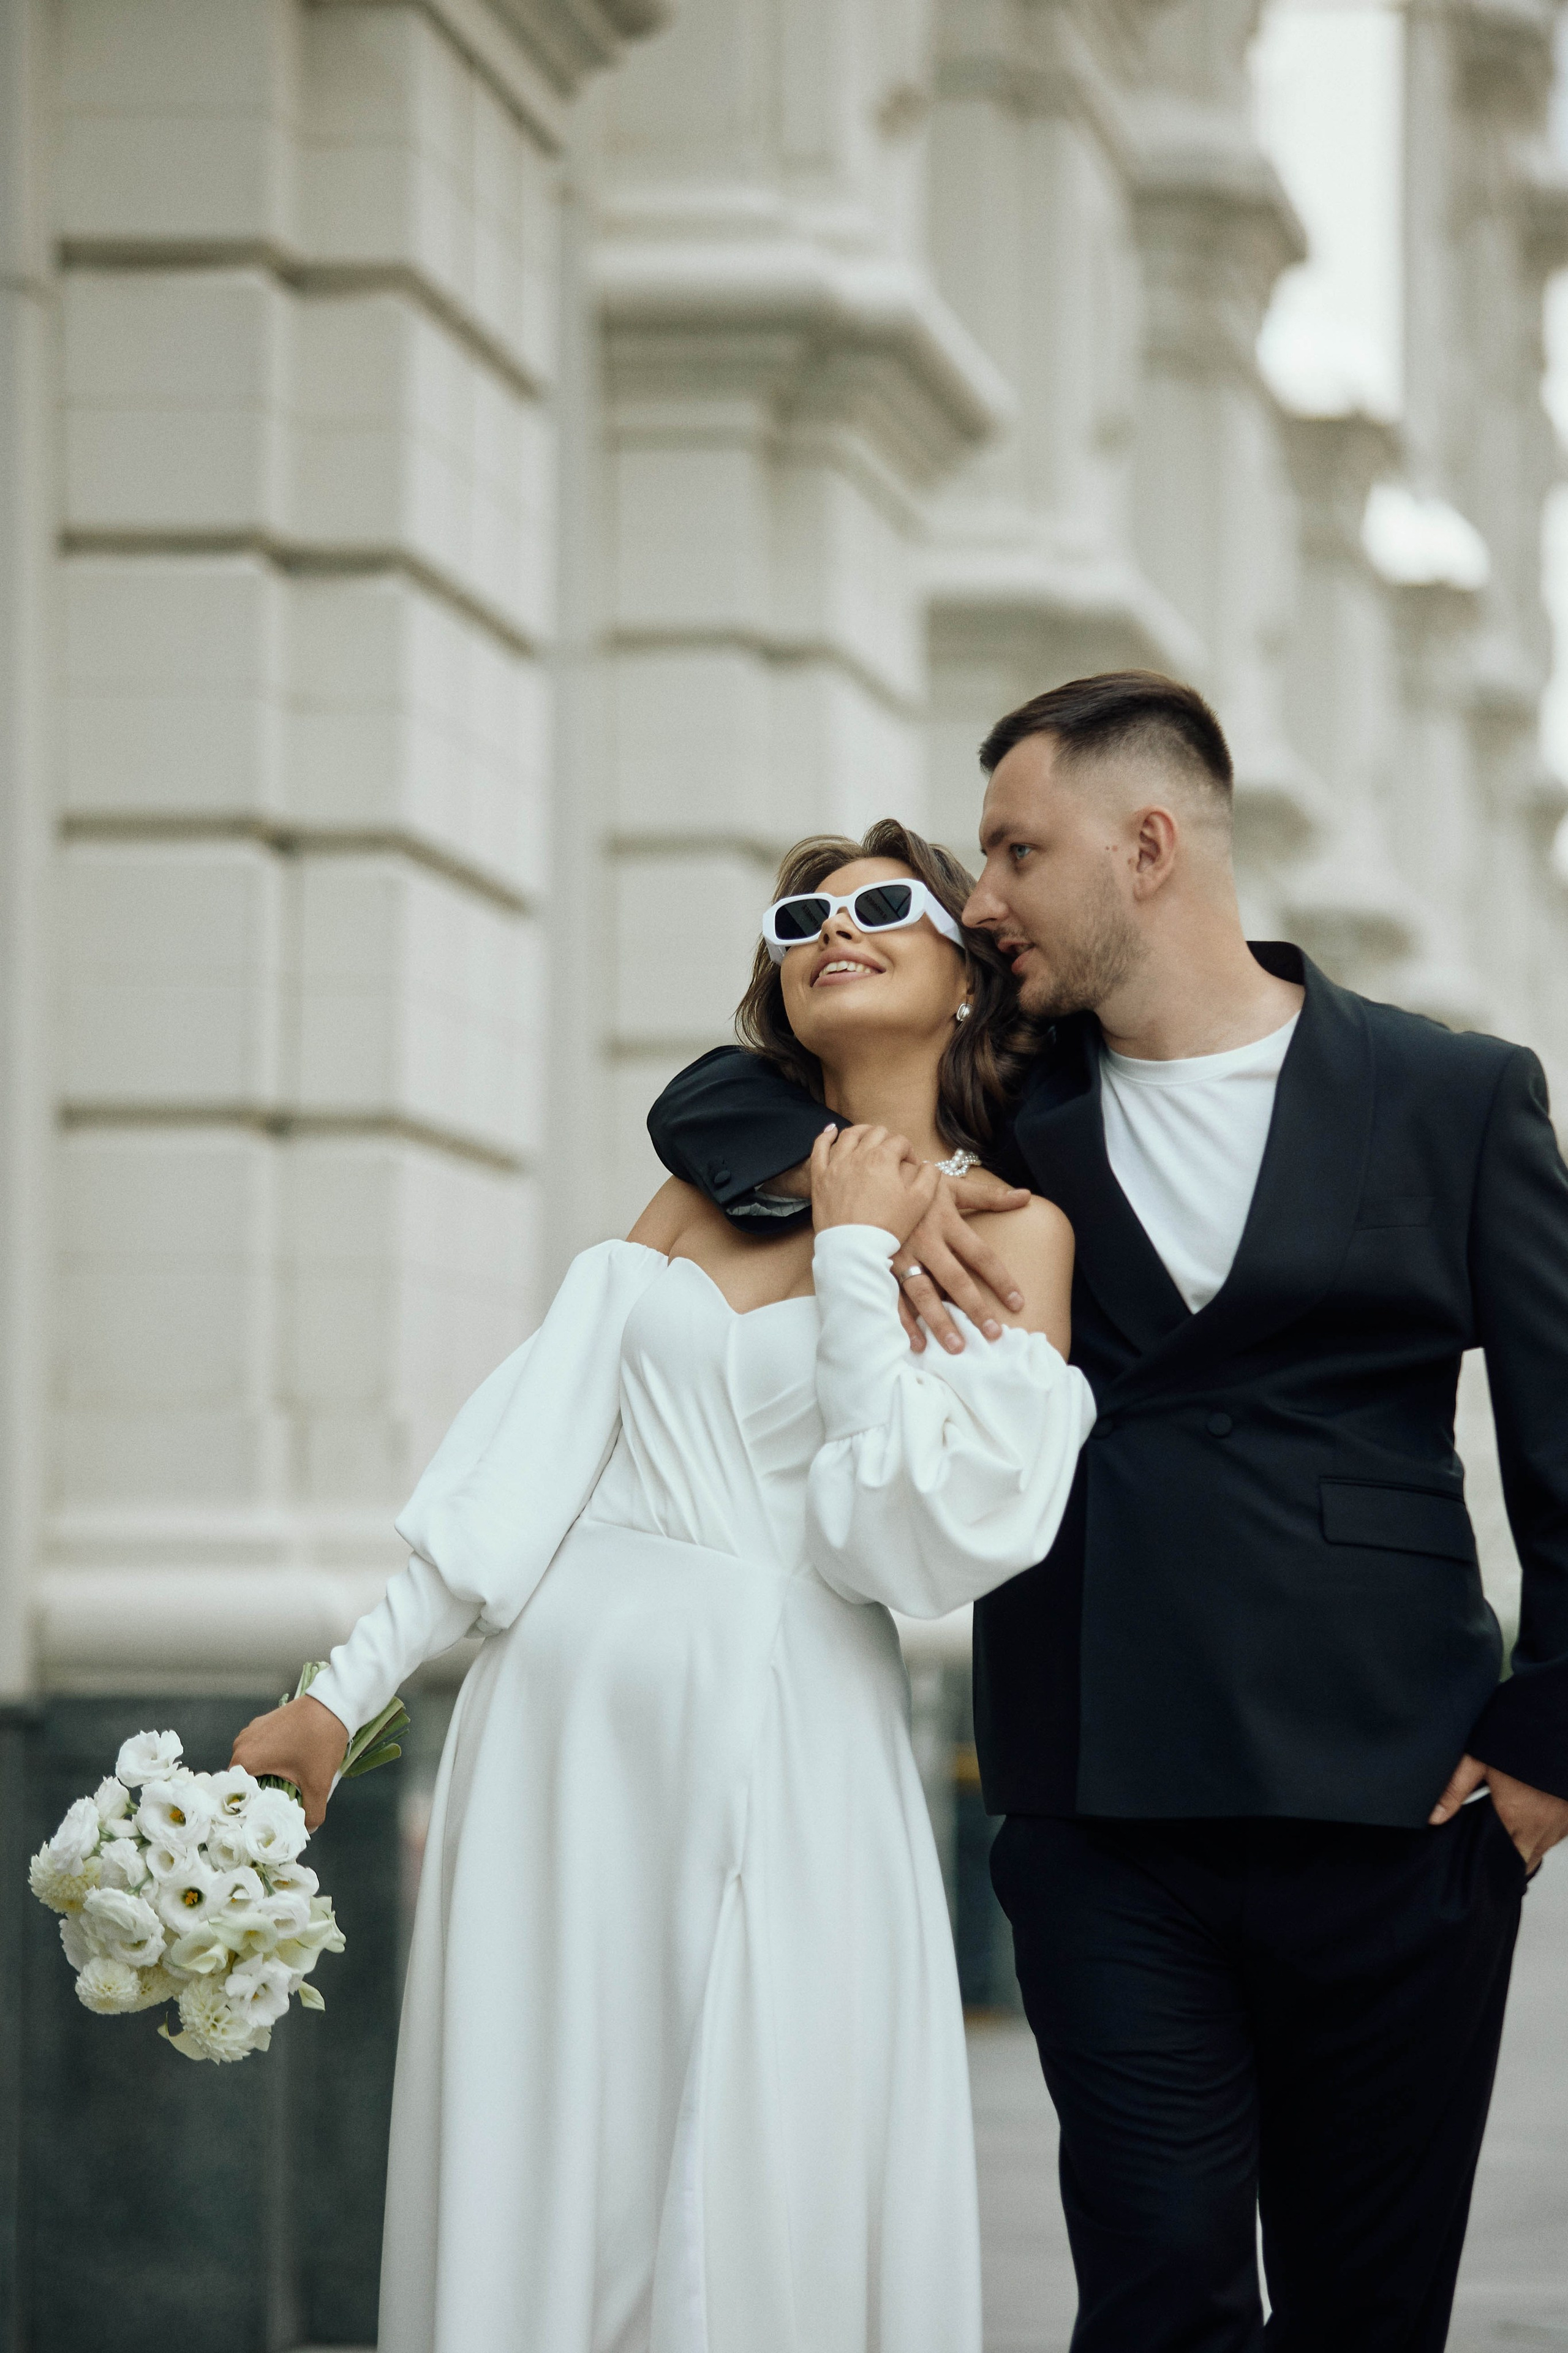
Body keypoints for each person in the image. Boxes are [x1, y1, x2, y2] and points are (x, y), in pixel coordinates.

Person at [646, 671, 1568, 2352]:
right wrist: (850, 1188)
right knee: (1155, 2300)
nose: (982, 897)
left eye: (1015, 849)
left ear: (1146, 847)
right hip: (1097, 1801)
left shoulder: (1454, 1094)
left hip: (1400, 1810)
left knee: (1371, 2315)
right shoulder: (1007, 1091)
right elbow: (715, 1101)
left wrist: (1547, 1751)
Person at [230, 820, 1097, 2353]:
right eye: (799, 921)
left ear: (966, 972)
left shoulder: (1012, 1234)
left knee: (755, 2145)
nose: (832, 931)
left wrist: (856, 1259)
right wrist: (338, 1698)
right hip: (554, 1740)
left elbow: (904, 1544)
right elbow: (526, 1462)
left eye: (881, 905)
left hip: (784, 1729)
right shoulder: (699, 1194)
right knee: (545, 2142)